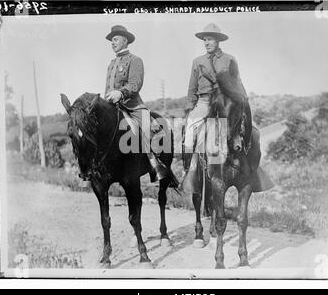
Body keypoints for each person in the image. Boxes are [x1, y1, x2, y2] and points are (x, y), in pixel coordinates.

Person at [105, 25, 177, 186]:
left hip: (132, 106)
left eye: (115, 39)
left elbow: (135, 84)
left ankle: (156, 165)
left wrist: (120, 93)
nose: (112, 42)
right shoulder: (111, 64)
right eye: (111, 40)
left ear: (125, 40)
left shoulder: (135, 60)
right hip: (112, 107)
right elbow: (107, 89)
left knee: (148, 129)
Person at [183, 23, 247, 168]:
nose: (207, 43)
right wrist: (189, 108)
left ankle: (244, 162)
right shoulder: (197, 61)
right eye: (205, 39)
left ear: (218, 41)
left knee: (243, 128)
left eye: (210, 39)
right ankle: (188, 168)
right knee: (188, 131)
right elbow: (192, 88)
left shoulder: (229, 59)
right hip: (204, 102)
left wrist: (242, 99)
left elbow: (238, 82)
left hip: (226, 101)